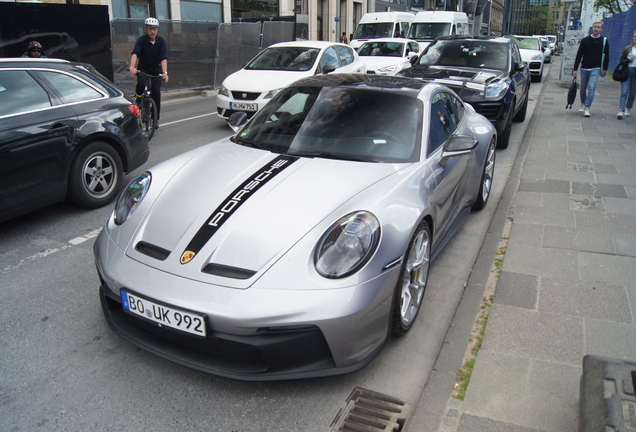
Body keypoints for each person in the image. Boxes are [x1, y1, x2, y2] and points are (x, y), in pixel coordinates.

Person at [129, 17, 168, 126]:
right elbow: (135, 53)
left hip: (156, 69)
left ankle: (156, 119)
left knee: (156, 93)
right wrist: (132, 67)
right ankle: (138, 98)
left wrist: (165, 72)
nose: (152, 31)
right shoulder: (142, 40)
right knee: (141, 84)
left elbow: (163, 58)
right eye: (150, 29)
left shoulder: (161, 41)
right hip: (143, 67)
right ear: (146, 29)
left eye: (154, 29)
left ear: (157, 30)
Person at [572, 21, 610, 117]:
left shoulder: (604, 41)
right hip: (584, 67)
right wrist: (575, 68)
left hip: (596, 68)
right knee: (583, 88)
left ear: (601, 29)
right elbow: (579, 55)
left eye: (598, 27)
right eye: (595, 27)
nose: (596, 29)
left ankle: (587, 107)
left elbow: (606, 56)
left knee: (591, 87)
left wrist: (604, 69)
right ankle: (583, 102)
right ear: (592, 28)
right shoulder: (585, 40)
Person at [617, 31, 636, 119]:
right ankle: (621, 110)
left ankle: (628, 108)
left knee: (632, 93)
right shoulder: (628, 49)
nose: (635, 38)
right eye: (634, 36)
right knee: (624, 91)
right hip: (627, 71)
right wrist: (628, 60)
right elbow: (621, 61)